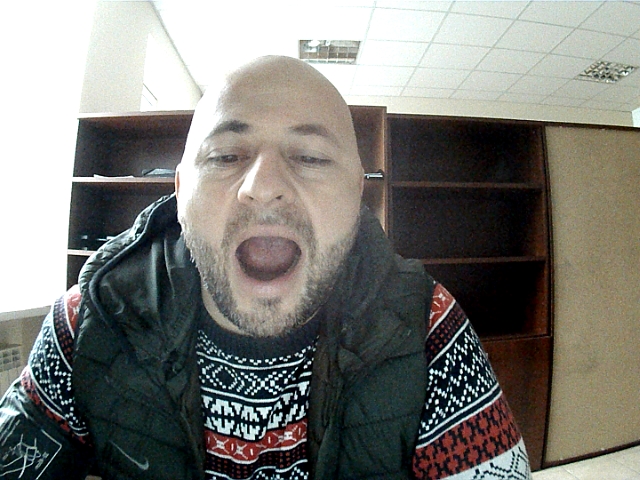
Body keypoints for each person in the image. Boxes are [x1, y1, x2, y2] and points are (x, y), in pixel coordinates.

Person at [0, 56, 532, 480]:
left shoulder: (427, 326)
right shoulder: (88, 320)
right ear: (180, 194)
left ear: (358, 194)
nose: (264, 186)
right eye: (225, 156)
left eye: (312, 157)